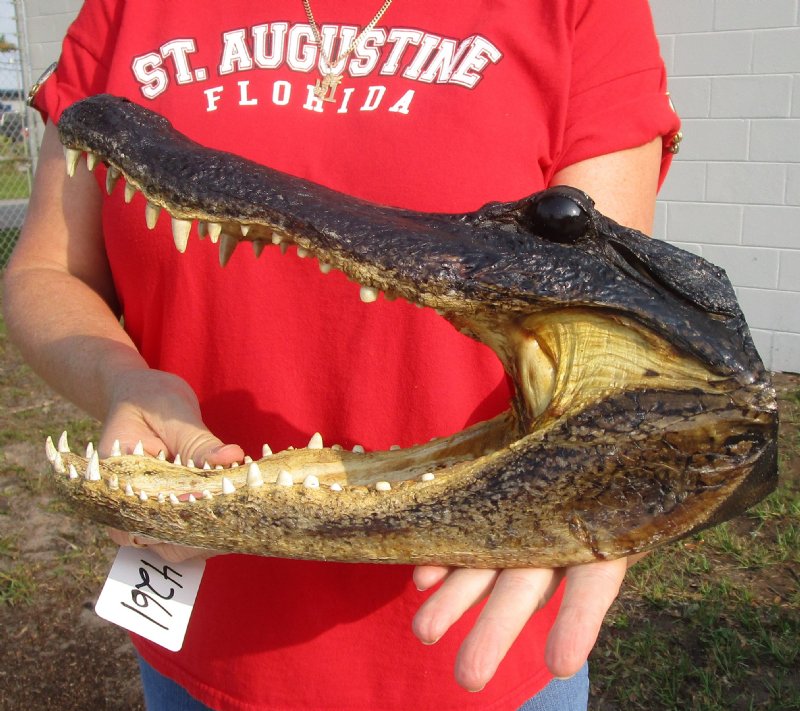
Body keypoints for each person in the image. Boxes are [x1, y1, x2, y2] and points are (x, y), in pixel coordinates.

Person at [4, 0, 680, 708]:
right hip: (202, 641)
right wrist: (125, 383)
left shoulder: (581, 11)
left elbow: (608, 328)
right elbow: (48, 270)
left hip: (479, 631)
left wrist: (615, 461)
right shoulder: (124, 9)